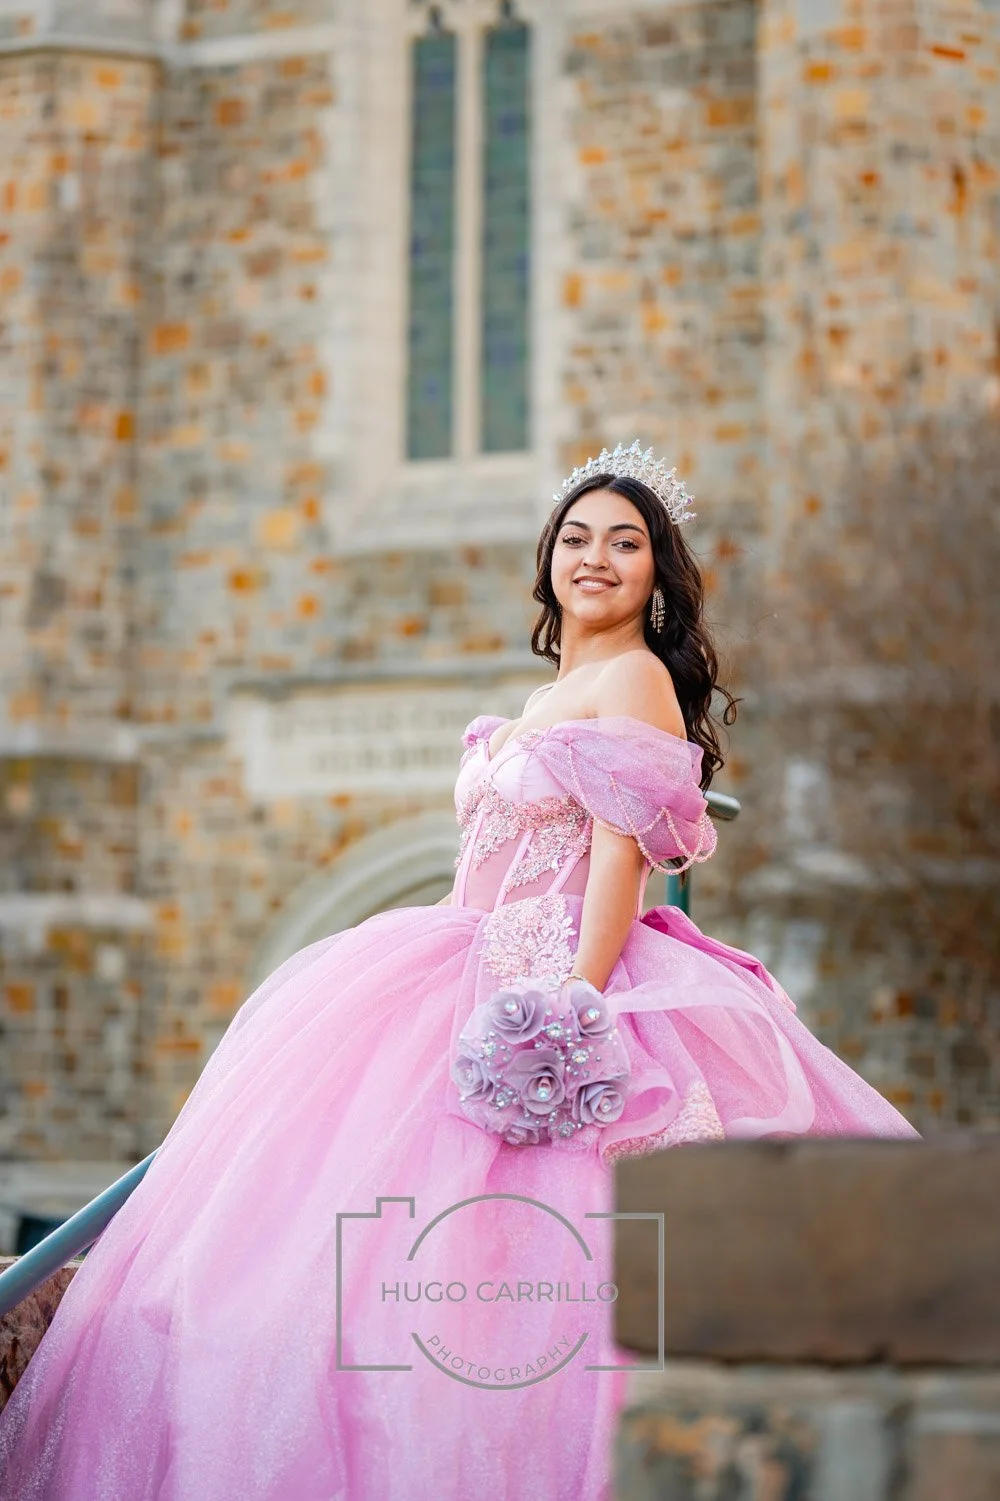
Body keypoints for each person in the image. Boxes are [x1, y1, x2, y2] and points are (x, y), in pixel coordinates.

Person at [0, 443, 919, 1500]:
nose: (597, 558)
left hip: (552, 977)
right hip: (452, 957)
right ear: (548, 561)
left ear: (657, 576)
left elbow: (618, 857)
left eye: (625, 544)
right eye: (576, 538)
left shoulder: (634, 679)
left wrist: (573, 1002)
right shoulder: (554, 692)